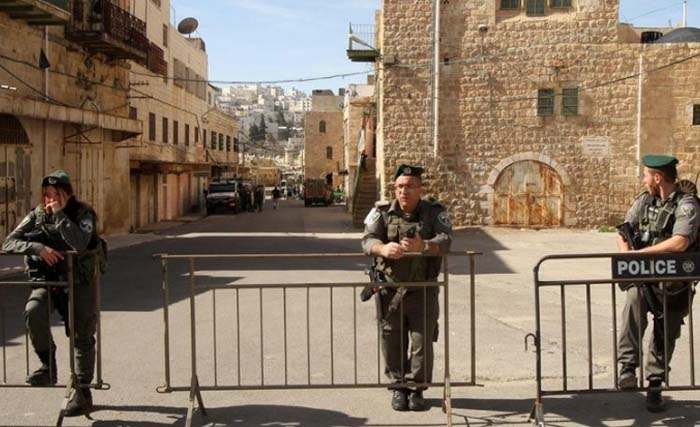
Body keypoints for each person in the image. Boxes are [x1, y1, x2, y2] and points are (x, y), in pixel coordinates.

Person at [2, 170, 105, 417]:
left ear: (67, 193)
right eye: (47, 194)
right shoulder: (37, 215)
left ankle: (82, 392)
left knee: (82, 333)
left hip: (79, 281)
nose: (50, 199)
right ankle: (48, 365)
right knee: (33, 311)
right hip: (48, 281)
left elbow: (80, 243)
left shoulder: (83, 213)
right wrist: (37, 248)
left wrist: (59, 214)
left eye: (56, 194)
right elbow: (8, 242)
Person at [361, 164, 452, 411]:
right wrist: (383, 249)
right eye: (400, 186)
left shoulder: (434, 212)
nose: (404, 191)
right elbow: (367, 239)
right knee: (392, 340)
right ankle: (399, 388)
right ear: (395, 188)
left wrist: (422, 246)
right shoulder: (381, 212)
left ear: (420, 189)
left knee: (422, 343)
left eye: (410, 186)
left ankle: (417, 390)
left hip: (423, 289)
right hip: (390, 291)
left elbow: (446, 240)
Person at [616, 155, 698, 412]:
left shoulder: (687, 206)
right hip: (644, 280)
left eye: (646, 175)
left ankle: (655, 385)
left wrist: (641, 255)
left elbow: (680, 242)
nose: (643, 179)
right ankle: (627, 367)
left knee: (665, 334)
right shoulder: (644, 201)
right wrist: (628, 253)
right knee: (632, 306)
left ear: (658, 178)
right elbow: (623, 231)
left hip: (674, 283)